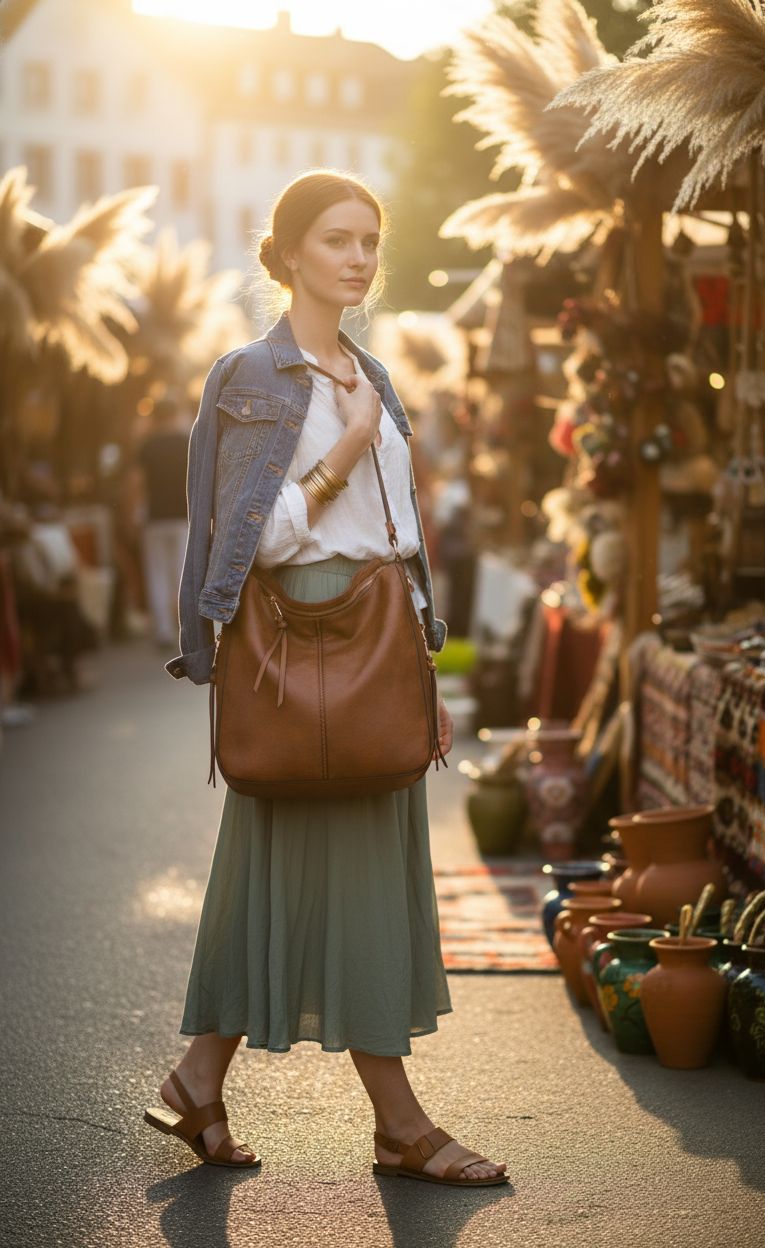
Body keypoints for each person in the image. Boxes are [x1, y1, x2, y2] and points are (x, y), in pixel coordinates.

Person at [144, 171, 509, 1186]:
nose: (358, 256)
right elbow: (253, 542)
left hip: (374, 653)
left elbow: (401, 541)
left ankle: (194, 1085)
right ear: (290, 251)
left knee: (272, 874)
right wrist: (342, 452)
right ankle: (400, 1125)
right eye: (337, 238)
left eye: (369, 240)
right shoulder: (249, 376)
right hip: (299, 654)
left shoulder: (376, 374)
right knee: (332, 884)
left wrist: (424, 675)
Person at [134, 395, 190, 648]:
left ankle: (164, 630)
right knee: (182, 572)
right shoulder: (186, 442)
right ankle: (186, 626)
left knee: (156, 573)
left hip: (155, 516)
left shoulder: (147, 446)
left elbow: (137, 483)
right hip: (183, 515)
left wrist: (136, 512)